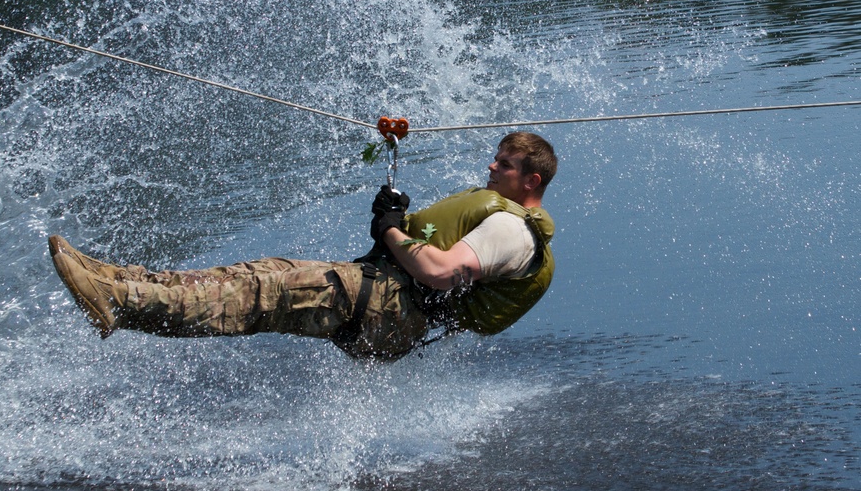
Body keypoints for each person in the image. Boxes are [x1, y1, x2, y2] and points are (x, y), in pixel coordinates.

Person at [49, 131, 556, 360]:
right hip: (381, 294)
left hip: (390, 310)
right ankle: (122, 280)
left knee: (258, 296)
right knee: (254, 272)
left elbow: (441, 273)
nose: (491, 168)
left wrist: (389, 229)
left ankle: (121, 305)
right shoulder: (498, 216)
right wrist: (397, 215)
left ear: (531, 180)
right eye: (495, 159)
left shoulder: (513, 230)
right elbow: (429, 250)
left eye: (504, 165)